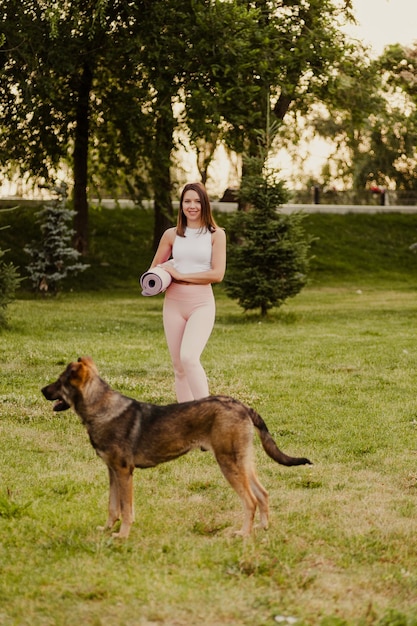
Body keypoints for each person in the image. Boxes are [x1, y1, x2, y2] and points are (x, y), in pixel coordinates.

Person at [149, 182, 226, 402]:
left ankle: (209, 415)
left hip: (200, 304)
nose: (192, 206)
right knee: (179, 367)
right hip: (173, 303)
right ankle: (186, 420)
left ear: (205, 204)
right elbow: (154, 269)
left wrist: (181, 275)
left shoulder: (216, 235)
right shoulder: (171, 235)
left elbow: (217, 274)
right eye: (187, 201)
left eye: (197, 201)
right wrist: (159, 276)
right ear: (181, 204)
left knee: (189, 358)